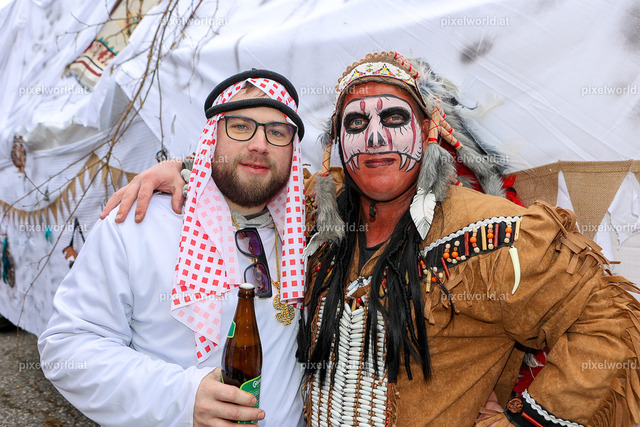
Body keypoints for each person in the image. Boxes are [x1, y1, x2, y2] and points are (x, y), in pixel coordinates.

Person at [101, 52, 640, 426]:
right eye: (356, 125)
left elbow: (608, 320)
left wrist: (533, 420)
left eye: (394, 117)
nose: (376, 137)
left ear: (428, 131)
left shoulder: (490, 232)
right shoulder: (321, 214)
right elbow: (259, 171)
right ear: (337, 144)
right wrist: (185, 168)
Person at [38, 69, 307, 426]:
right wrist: (181, 398)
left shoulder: (309, 234)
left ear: (293, 149)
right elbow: (67, 347)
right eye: (241, 126)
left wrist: (182, 166)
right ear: (212, 138)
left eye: (277, 132)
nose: (259, 144)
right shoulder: (136, 225)